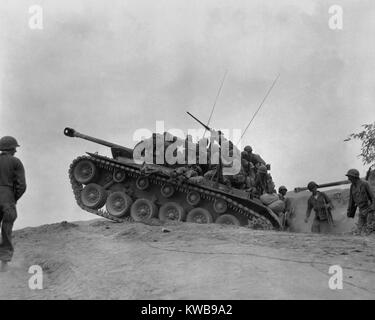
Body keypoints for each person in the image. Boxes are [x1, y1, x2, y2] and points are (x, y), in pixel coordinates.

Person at [0, 136, 26, 272]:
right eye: (15, 148)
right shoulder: (16, 162)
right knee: (6, 229)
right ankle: (4, 264)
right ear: (11, 148)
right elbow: (22, 186)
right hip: (8, 198)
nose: (16, 150)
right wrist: (13, 198)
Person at [346, 168, 375, 235]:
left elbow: (373, 198)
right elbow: (351, 200)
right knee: (359, 230)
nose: (348, 179)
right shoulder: (352, 186)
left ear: (354, 177)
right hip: (361, 211)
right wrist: (349, 212)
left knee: (369, 230)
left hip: (369, 210)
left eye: (349, 177)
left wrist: (371, 209)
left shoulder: (365, 184)